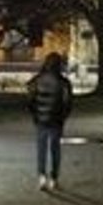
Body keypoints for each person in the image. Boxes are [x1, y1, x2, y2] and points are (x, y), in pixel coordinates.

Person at [26, 52, 75, 191]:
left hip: (41, 119)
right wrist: (63, 117)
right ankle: (54, 178)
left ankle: (41, 176)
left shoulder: (36, 80)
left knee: (41, 148)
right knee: (55, 149)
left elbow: (29, 100)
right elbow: (68, 103)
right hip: (56, 120)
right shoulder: (63, 83)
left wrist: (35, 115)